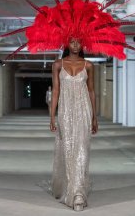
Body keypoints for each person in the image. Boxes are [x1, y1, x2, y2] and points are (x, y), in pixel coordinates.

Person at [49, 37, 98, 211]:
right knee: (68, 150)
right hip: (65, 110)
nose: (76, 45)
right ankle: (70, 190)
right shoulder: (57, 65)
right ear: (66, 44)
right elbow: (56, 91)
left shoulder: (89, 66)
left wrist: (94, 117)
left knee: (82, 148)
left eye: (79, 42)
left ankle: (78, 193)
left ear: (83, 44)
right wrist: (52, 116)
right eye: (72, 42)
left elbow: (91, 91)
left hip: (83, 109)